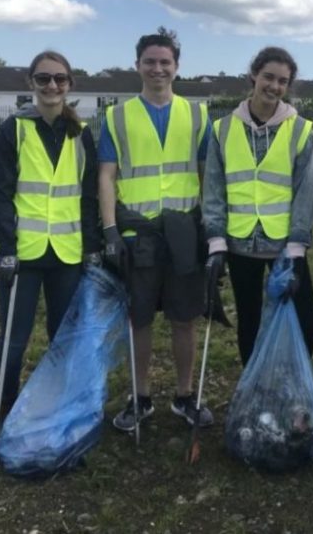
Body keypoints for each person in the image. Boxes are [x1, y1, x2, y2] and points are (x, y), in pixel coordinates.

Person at [98, 27, 214, 433]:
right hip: (138, 233)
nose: (158, 69)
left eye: (165, 62)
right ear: (137, 66)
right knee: (139, 319)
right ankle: (141, 397)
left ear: (177, 68)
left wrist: (212, 228)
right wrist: (110, 231)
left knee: (185, 318)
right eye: (150, 61)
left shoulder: (199, 115)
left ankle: (185, 396)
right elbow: (107, 177)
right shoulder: (116, 116)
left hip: (184, 231)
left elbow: (208, 176)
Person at [0, 50, 100, 421]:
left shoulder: (81, 135)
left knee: (62, 338)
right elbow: (0, 195)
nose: (52, 85)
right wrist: (5, 248)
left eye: (59, 79)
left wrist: (92, 248)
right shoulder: (14, 130)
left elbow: (88, 198)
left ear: (70, 84)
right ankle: (4, 410)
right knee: (14, 339)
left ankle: (58, 408)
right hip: (22, 253)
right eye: (43, 78)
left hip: (66, 253)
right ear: (30, 83)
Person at [202, 46, 313, 367]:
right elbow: (213, 191)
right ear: (254, 75)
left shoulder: (299, 130)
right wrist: (215, 242)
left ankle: (290, 383)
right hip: (241, 245)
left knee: (307, 324)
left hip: (285, 247)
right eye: (268, 77)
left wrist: (297, 247)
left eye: (283, 81)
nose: (274, 86)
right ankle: (255, 392)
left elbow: (307, 191)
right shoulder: (222, 129)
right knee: (250, 325)